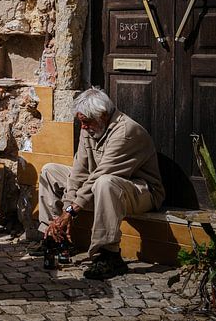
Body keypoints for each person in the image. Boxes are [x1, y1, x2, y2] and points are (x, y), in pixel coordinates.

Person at [37, 87, 165, 280]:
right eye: (81, 122)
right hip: (98, 185)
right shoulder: (90, 128)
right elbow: (79, 171)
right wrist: (65, 212)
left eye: (86, 122)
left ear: (103, 116)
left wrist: (71, 212)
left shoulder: (126, 132)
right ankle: (55, 236)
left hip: (140, 191)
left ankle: (109, 254)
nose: (83, 127)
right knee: (50, 171)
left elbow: (101, 174)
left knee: (105, 182)